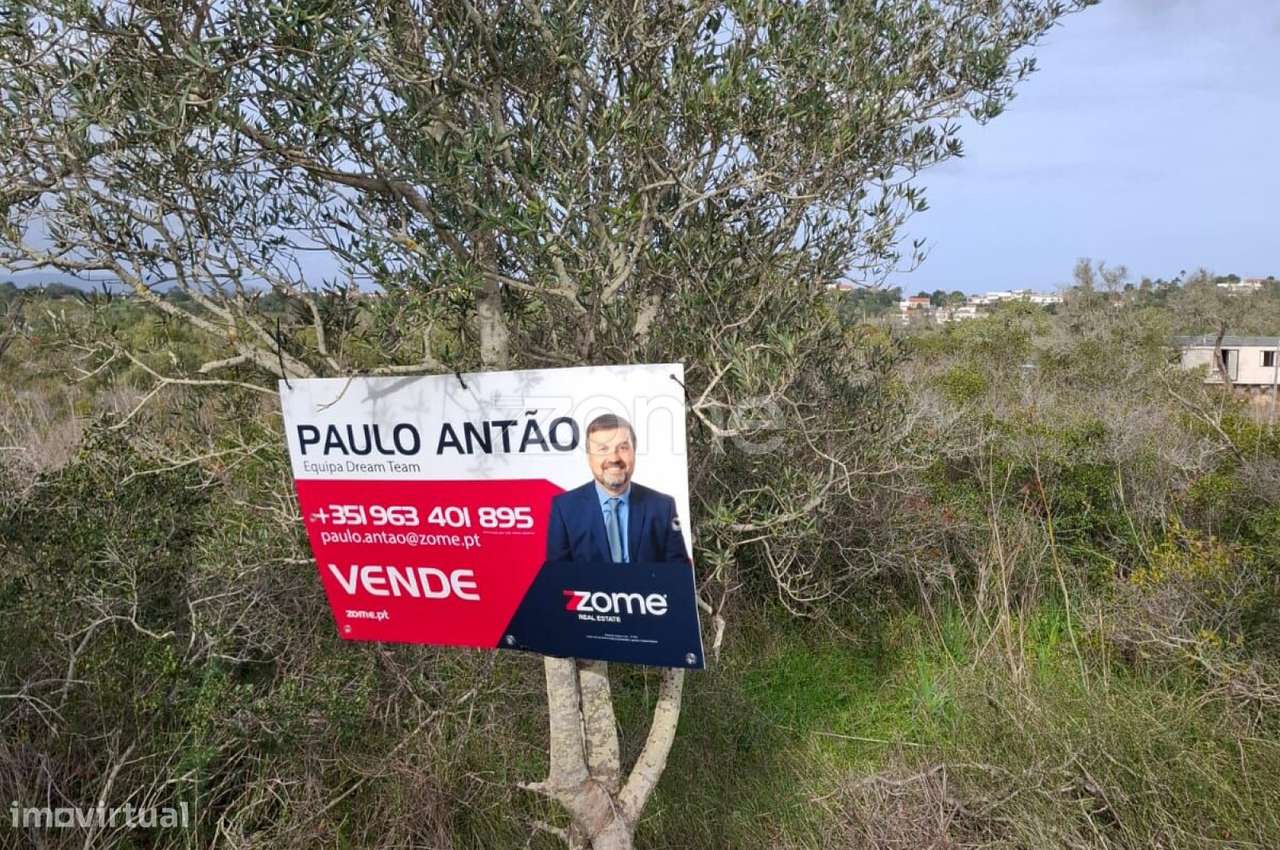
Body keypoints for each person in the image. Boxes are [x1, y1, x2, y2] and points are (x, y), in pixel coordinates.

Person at [545, 413, 689, 565]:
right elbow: (558, 575)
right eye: (603, 448)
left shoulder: (663, 507)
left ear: (634, 452)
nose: (614, 458)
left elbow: (678, 573)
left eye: (623, 448)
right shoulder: (564, 509)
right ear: (589, 457)